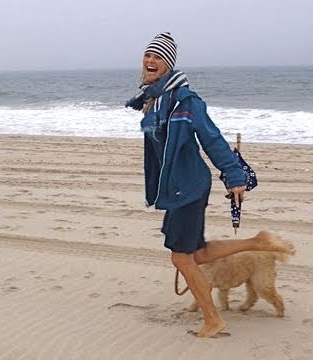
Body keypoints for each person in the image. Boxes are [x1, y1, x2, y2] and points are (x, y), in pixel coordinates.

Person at [125, 32, 294, 338]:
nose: (151, 61)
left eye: (158, 57)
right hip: (175, 187)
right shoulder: (154, 98)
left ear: (169, 64)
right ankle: (258, 242)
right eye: (148, 55)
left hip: (188, 186)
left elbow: (211, 137)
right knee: (197, 253)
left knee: (181, 256)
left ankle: (213, 319)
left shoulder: (185, 99)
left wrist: (234, 176)